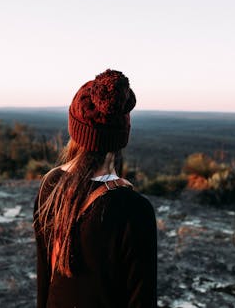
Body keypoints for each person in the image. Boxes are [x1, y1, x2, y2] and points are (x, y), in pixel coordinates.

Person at [33, 69, 157, 308]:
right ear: (122, 137)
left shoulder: (50, 187)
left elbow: (44, 281)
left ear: (74, 129)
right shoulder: (134, 210)